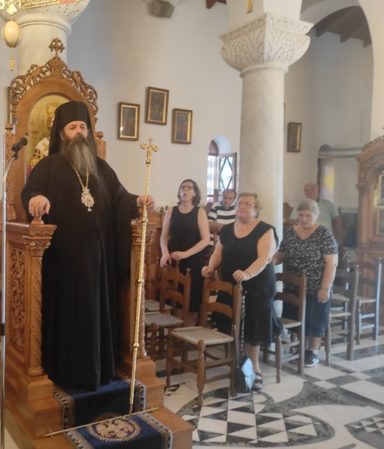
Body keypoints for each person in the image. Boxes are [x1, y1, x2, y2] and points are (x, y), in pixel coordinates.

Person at [21, 100, 154, 390]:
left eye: (83, 126)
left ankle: (99, 367)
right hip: (64, 261)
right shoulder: (48, 166)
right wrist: (36, 199)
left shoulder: (101, 168)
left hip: (99, 263)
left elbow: (119, 197)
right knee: (69, 315)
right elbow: (30, 191)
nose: (79, 132)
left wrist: (137, 201)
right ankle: (67, 371)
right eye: (73, 127)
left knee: (96, 314)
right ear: (61, 133)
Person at [201, 192, 280, 391]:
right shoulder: (227, 229)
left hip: (258, 286)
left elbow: (264, 258)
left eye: (248, 204)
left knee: (252, 329)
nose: (242, 206)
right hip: (231, 284)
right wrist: (210, 267)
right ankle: (238, 363)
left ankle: (255, 369)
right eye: (240, 203)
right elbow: (218, 252)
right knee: (233, 324)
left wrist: (247, 274)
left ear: (256, 209)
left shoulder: (265, 230)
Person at [273, 199, 338, 367]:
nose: (304, 219)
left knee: (314, 320)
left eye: (308, 215)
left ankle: (312, 351)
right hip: (293, 286)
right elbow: (281, 253)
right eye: (301, 215)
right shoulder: (290, 232)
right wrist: (268, 261)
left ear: (316, 215)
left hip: (316, 286)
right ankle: (300, 346)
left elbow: (331, 263)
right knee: (295, 317)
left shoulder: (323, 233)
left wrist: (325, 288)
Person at [160, 179, 210, 323]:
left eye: (189, 187)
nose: (185, 190)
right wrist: (165, 252)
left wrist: (185, 254)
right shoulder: (171, 211)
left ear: (195, 193)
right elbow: (164, 236)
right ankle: (175, 331)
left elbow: (206, 239)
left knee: (191, 301)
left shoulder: (199, 212)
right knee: (174, 299)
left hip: (193, 260)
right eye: (183, 187)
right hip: (174, 260)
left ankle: (189, 331)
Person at [290, 183, 343, 247]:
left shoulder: (329, 204)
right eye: (306, 190)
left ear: (317, 191)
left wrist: (338, 239)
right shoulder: (300, 205)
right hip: (306, 239)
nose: (309, 192)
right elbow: (292, 221)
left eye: (312, 190)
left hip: (325, 238)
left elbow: (337, 222)